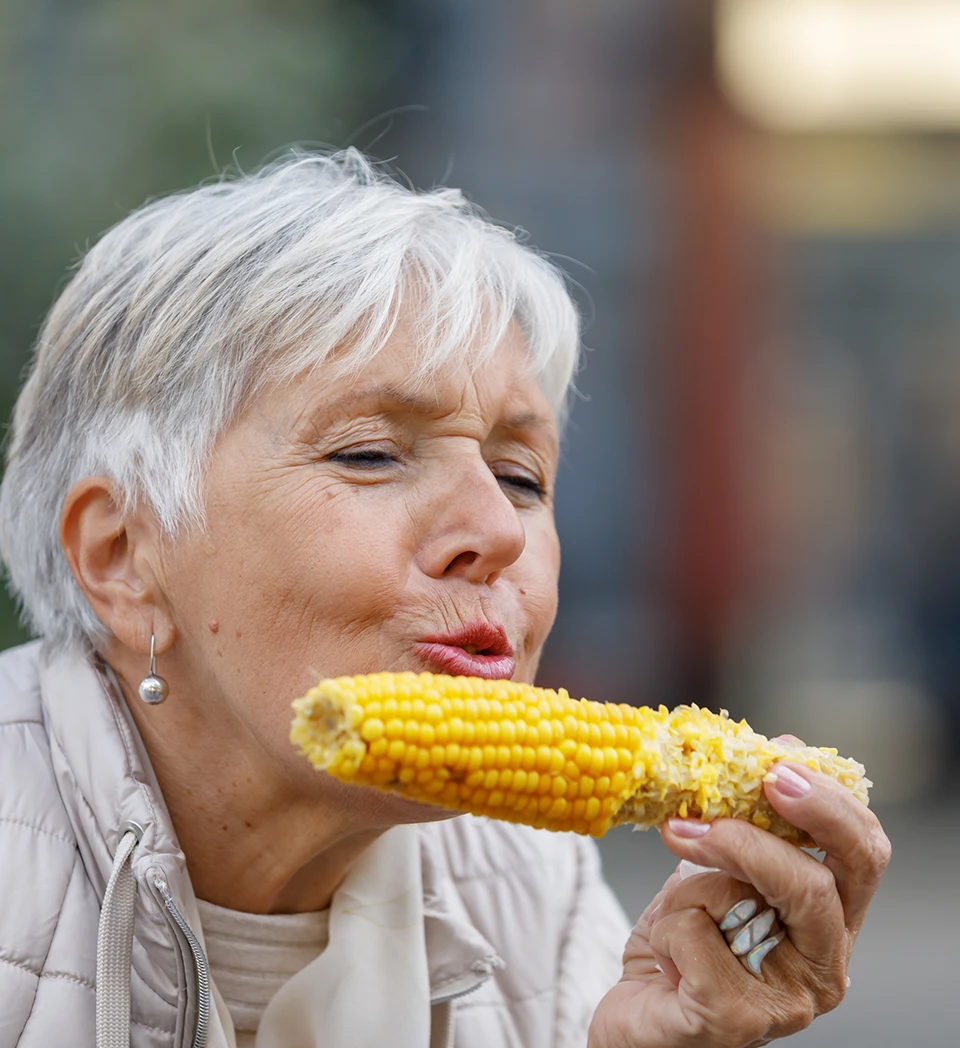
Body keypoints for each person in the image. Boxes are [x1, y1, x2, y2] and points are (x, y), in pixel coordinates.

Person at [0, 150, 889, 1048]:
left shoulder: (528, 881)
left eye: (519, 476)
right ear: (121, 557)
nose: (499, 532)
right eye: (370, 454)